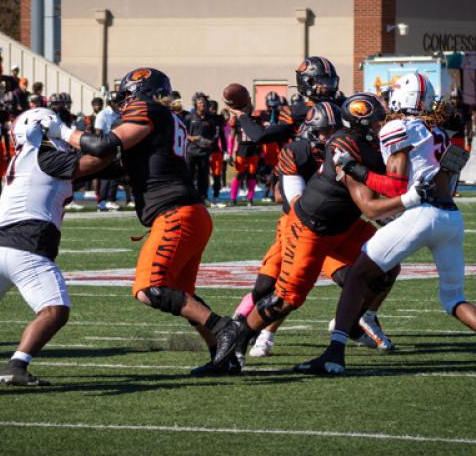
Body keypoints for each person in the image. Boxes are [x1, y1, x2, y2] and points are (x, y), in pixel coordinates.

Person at [43, 67, 239, 375]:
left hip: (176, 213)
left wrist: (63, 132)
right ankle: (222, 355)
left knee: (150, 288)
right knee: (179, 292)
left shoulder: (147, 109)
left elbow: (102, 147)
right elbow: (114, 164)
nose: (123, 104)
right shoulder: (165, 119)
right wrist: (66, 171)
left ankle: (226, 328)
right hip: (191, 213)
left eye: (126, 96)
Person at [217, 93, 415, 369]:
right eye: (374, 124)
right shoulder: (342, 145)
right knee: (287, 297)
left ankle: (353, 321)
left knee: (387, 264)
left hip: (345, 225)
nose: (379, 128)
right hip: (312, 226)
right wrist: (409, 196)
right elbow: (377, 200)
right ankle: (238, 337)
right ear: (358, 126)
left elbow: (392, 181)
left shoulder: (368, 142)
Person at [303, 75, 476, 375]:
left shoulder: (399, 128)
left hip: (421, 213)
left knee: (357, 275)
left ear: (402, 99)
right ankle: (347, 339)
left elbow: (396, 188)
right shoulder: (437, 132)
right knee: (454, 299)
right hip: (451, 217)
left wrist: (358, 170)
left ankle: (334, 353)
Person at [0, 107, 113, 385]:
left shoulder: (26, 158)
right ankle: (16, 365)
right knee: (55, 311)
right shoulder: (45, 156)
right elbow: (98, 158)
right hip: (26, 247)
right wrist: (71, 133)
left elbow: (100, 166)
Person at [185, 94, 217, 204]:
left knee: (203, 176)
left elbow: (214, 134)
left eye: (204, 103)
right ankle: (188, 197)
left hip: (204, 152)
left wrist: (210, 142)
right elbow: (183, 132)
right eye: (200, 103)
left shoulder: (210, 118)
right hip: (191, 151)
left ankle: (203, 197)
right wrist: (192, 138)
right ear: (196, 104)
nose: (202, 105)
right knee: (189, 175)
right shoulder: (189, 117)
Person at [94, 91, 121, 211]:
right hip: (106, 145)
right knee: (106, 175)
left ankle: (111, 199)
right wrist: (102, 147)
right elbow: (98, 132)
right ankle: (103, 200)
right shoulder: (103, 114)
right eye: (115, 101)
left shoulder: (120, 113)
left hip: (117, 145)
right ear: (110, 102)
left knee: (115, 175)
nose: (118, 104)